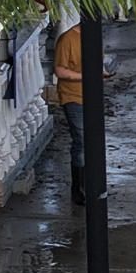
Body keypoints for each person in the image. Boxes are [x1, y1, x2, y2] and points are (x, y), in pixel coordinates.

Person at [54, 18, 88, 190]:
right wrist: (85, 76)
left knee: (89, 140)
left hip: (90, 95)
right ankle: (79, 189)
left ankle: (87, 183)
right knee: (81, 141)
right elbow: (59, 70)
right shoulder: (67, 39)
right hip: (73, 96)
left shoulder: (93, 37)